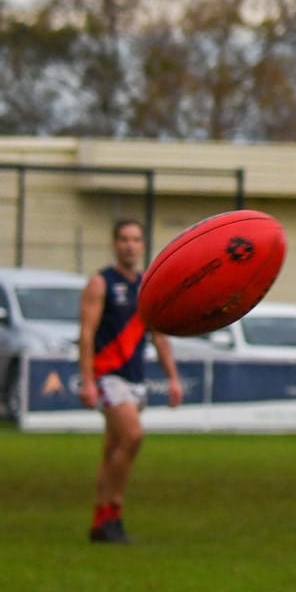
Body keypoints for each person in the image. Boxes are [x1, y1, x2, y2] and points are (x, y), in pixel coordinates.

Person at [77, 219, 184, 543]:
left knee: (113, 450)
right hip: (109, 376)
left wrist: (173, 378)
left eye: (135, 239)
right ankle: (113, 508)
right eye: (124, 239)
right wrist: (87, 380)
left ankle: (104, 521)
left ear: (142, 245)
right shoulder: (101, 283)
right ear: (114, 244)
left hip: (135, 378)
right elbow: (86, 334)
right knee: (133, 437)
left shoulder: (147, 287)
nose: (129, 245)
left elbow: (159, 336)